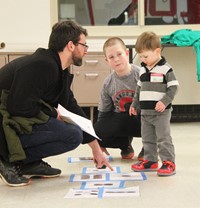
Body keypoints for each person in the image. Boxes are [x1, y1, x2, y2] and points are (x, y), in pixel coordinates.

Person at [0, 20, 113, 187]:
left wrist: (96, 148)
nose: (86, 51)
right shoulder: (42, 65)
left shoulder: (59, 69)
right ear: (70, 45)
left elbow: (71, 106)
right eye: (84, 45)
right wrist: (53, 113)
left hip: (13, 116)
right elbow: (18, 106)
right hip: (3, 122)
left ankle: (26, 163)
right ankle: (6, 159)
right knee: (71, 134)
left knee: (74, 134)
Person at [129, 31, 179, 176]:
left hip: (161, 113)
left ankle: (168, 162)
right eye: (141, 57)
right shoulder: (143, 70)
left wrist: (164, 102)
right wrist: (134, 105)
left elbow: (174, 87)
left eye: (145, 56)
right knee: (147, 138)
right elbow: (139, 89)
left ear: (157, 51)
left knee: (163, 138)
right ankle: (150, 161)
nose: (143, 60)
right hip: (145, 113)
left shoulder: (166, 69)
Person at [94, 37, 144, 160]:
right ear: (107, 60)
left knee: (157, 120)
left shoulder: (142, 75)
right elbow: (104, 114)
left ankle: (149, 146)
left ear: (127, 53)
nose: (116, 59)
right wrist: (100, 140)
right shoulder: (108, 83)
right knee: (92, 134)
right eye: (111, 57)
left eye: (119, 54)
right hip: (121, 119)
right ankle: (125, 145)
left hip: (142, 119)